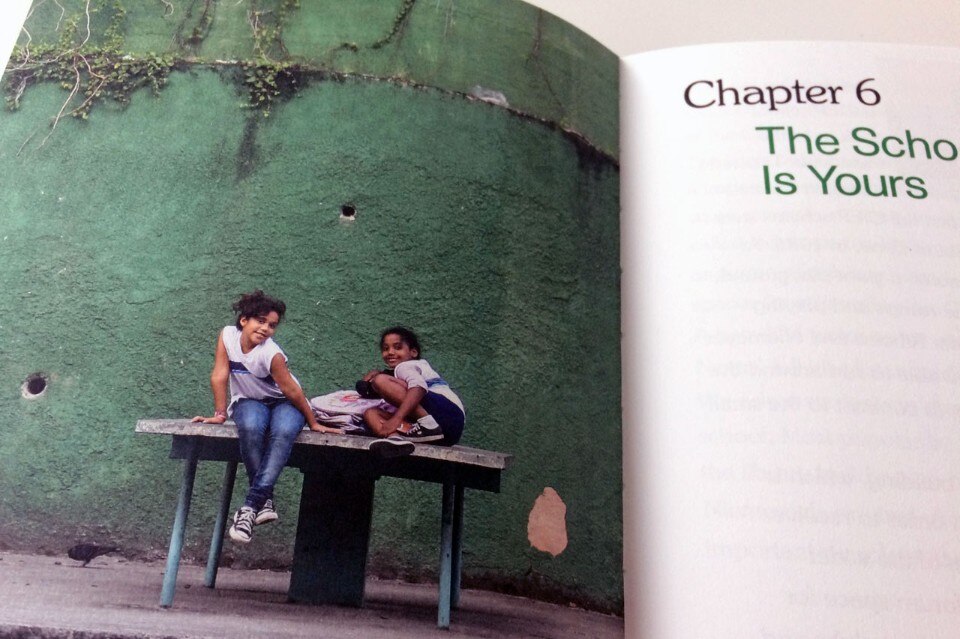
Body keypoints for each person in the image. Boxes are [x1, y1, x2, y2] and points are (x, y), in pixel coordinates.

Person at [192, 290, 339, 544]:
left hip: (286, 403)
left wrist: (313, 421)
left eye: (272, 325)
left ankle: (250, 507)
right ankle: (265, 500)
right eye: (260, 321)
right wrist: (219, 414)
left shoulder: (271, 353)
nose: (265, 328)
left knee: (283, 432)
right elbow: (219, 374)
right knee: (250, 426)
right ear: (244, 320)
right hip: (249, 401)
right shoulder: (227, 336)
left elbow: (292, 391)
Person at [361, 326, 465, 457]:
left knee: (380, 381)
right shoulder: (399, 372)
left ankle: (427, 424)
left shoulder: (405, 366)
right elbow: (365, 389)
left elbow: (418, 387)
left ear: (413, 352)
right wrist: (369, 379)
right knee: (371, 413)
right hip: (448, 435)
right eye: (385, 348)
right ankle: (394, 439)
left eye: (398, 347)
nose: (390, 352)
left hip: (448, 413)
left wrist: (396, 419)